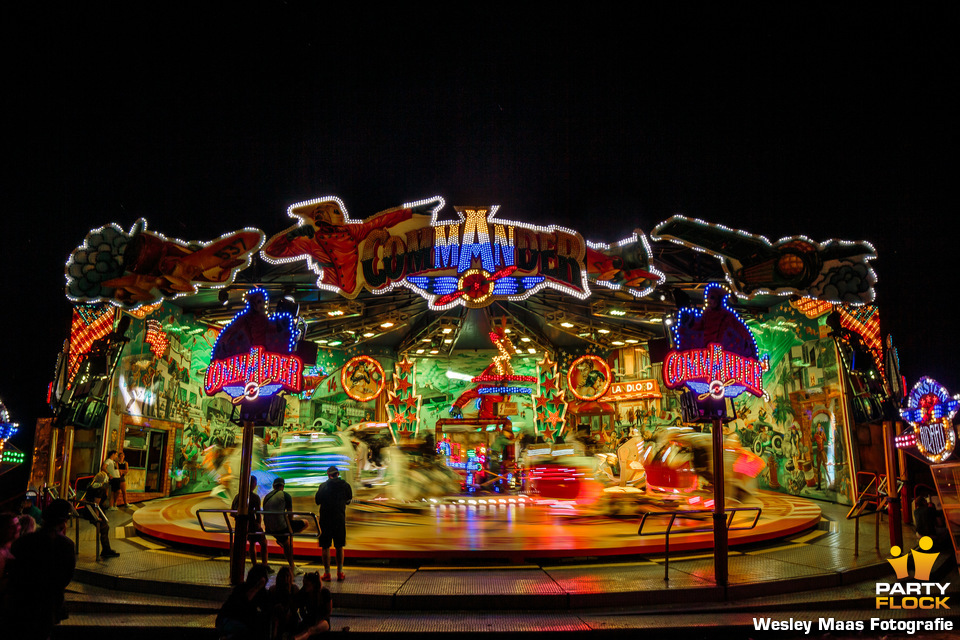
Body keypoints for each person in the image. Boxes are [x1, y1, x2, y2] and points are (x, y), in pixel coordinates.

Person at [1, 499, 76, 640]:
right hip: (47, 606)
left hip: (20, 603)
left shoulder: (23, 541)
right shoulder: (66, 545)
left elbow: (13, 571)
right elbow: (65, 577)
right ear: (63, 521)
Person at [314, 465, 352, 582]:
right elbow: (348, 501)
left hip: (325, 520)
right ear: (338, 474)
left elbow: (317, 501)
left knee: (325, 547)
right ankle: (340, 572)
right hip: (339, 519)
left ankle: (327, 574)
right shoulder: (346, 486)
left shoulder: (323, 486)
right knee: (339, 546)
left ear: (328, 474)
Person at [216, 563, 270, 640]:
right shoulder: (241, 589)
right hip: (228, 620)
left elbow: (266, 608)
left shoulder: (262, 593)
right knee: (246, 631)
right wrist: (256, 588)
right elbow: (242, 604)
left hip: (242, 621)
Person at [231, 475, 269, 571]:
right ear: (253, 484)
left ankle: (255, 565)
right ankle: (264, 566)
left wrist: (240, 520)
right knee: (263, 543)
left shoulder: (238, 496)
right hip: (252, 524)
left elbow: (232, 512)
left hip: (242, 525)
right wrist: (258, 524)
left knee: (252, 544)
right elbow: (258, 513)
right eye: (254, 483)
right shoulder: (255, 497)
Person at [262, 477, 298, 575]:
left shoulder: (267, 496)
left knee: (286, 541)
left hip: (268, 528)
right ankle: (293, 567)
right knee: (304, 523)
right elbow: (290, 514)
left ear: (273, 486)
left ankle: (283, 540)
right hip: (280, 528)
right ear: (283, 486)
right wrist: (289, 529)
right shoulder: (286, 495)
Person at [294, 572, 332, 638]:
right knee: (306, 629)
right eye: (304, 583)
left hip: (323, 621)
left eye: (307, 584)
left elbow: (328, 612)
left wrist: (318, 620)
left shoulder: (324, 593)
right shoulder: (303, 593)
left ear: (313, 584)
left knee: (311, 630)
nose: (304, 585)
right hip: (309, 620)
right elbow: (299, 608)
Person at [267, 565, 300, 639]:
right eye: (283, 576)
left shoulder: (294, 589)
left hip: (290, 615)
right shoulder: (273, 590)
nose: (285, 579)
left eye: (287, 576)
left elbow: (295, 607)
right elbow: (269, 607)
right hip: (277, 616)